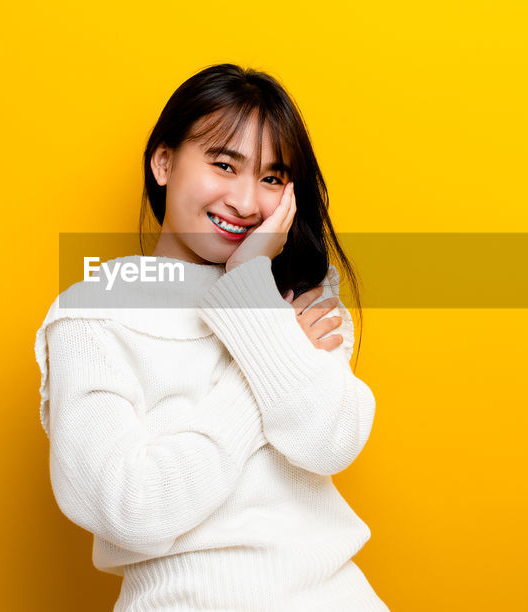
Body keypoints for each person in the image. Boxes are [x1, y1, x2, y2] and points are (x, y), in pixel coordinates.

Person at [34, 64, 387, 611]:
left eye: (272, 178)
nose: (247, 204)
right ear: (164, 161)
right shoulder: (91, 315)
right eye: (225, 164)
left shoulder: (299, 295)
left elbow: (329, 442)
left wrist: (251, 289)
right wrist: (263, 353)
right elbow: (133, 508)